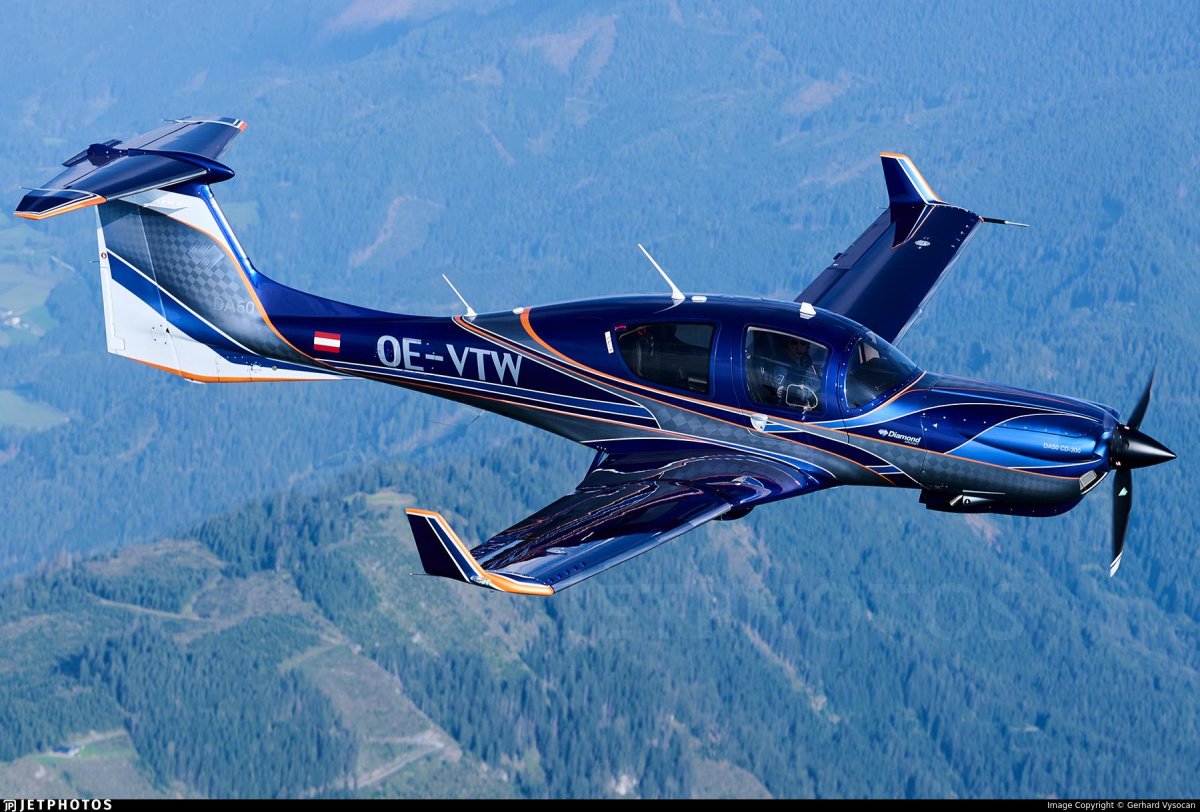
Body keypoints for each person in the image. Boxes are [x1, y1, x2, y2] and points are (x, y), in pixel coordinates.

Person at [754, 334, 822, 410]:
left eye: (803, 343)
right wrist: (801, 392)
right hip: (788, 408)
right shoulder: (781, 366)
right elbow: (781, 390)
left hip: (807, 403)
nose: (799, 347)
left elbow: (817, 384)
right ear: (787, 345)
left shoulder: (806, 363)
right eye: (794, 343)